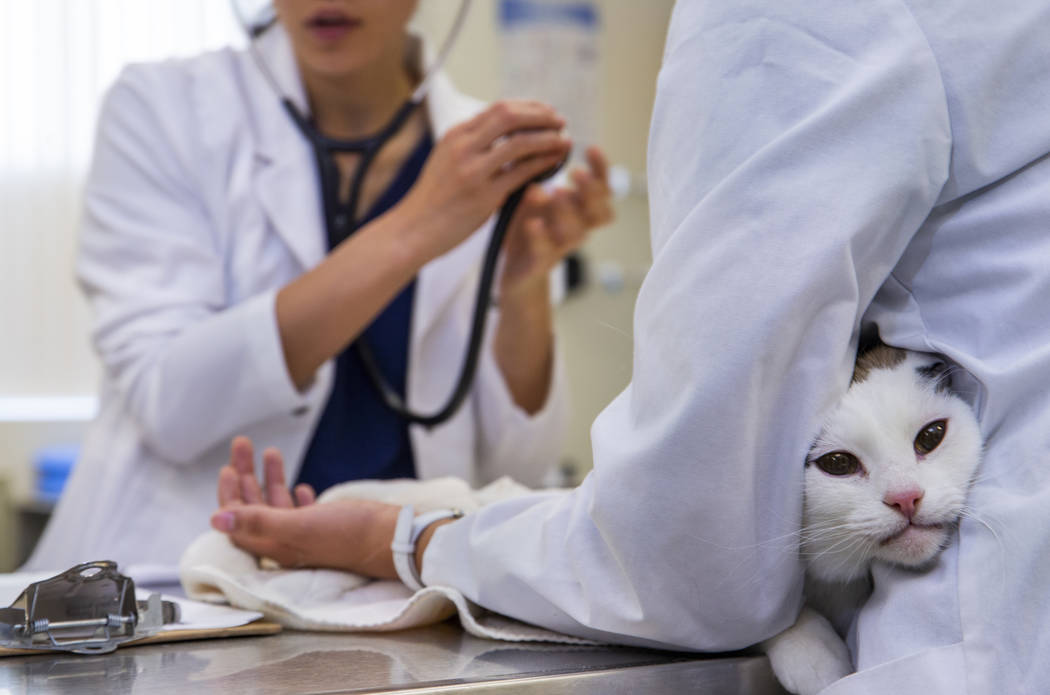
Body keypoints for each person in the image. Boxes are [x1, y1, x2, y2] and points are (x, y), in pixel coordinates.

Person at [213, 0, 1050, 690]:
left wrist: (405, 537)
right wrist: (414, 232)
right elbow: (165, 390)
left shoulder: (778, 21)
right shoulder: (175, 105)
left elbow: (688, 548)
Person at [26, 0, 613, 570]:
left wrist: (522, 287)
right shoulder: (163, 110)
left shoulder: (478, 153)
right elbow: (170, 404)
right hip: (177, 589)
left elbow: (518, 467)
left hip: (396, 592)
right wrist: (415, 227)